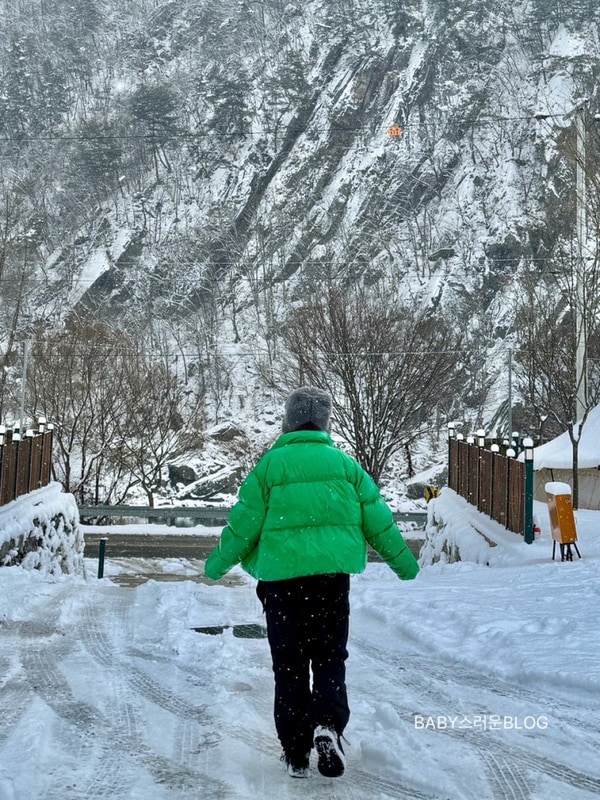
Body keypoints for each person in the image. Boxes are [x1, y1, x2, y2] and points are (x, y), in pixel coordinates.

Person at [204, 386, 420, 779]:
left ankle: (296, 752)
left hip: (282, 586)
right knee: (328, 657)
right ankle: (327, 725)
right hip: (330, 582)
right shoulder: (345, 466)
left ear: (288, 422)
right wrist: (404, 564)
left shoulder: (270, 467)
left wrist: (217, 564)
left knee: (288, 665)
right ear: (325, 422)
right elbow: (378, 519)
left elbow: (244, 525)